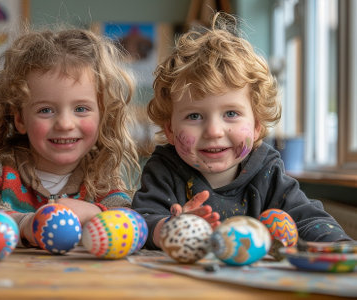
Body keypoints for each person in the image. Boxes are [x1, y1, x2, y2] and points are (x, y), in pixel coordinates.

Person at [132, 12, 352, 250]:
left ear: (257, 126)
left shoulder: (267, 171)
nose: (214, 131)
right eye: (194, 116)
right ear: (171, 131)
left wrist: (340, 246)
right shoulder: (164, 170)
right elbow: (142, 222)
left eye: (231, 114)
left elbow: (309, 220)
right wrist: (172, 228)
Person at [0, 27, 140, 247]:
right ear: (20, 119)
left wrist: (95, 213)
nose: (65, 124)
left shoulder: (101, 177)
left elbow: (133, 223)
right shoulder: (1, 169)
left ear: (103, 116)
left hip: (81, 280)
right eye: (46, 110)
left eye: (80, 109)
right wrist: (24, 224)